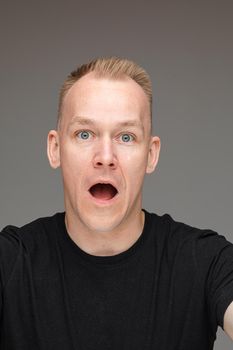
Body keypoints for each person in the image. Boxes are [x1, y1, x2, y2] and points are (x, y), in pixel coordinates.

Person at [0, 57, 233, 349]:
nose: (105, 156)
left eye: (126, 136)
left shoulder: (207, 260)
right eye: (84, 134)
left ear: (151, 154)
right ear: (55, 148)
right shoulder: (9, 261)